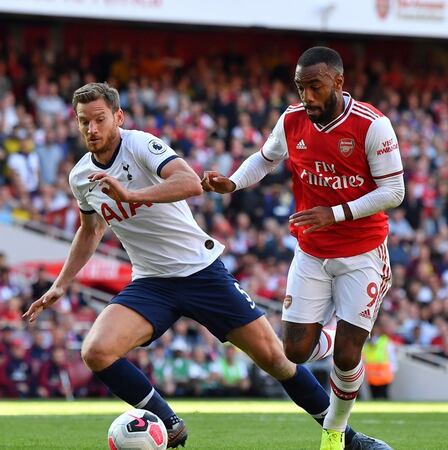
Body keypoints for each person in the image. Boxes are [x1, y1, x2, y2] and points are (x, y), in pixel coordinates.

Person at [22, 82, 389, 450]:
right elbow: (90, 230)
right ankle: (169, 423)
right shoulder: (81, 177)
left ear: (118, 117)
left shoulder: (141, 145)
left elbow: (189, 183)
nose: (92, 129)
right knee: (95, 351)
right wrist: (62, 283)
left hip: (201, 272)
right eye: (84, 121)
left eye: (100, 119)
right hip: (152, 282)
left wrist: (132, 193)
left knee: (278, 359)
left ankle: (349, 439)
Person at [202, 46, 404, 450]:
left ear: (338, 82)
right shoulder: (291, 119)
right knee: (295, 352)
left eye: (315, 87)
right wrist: (234, 183)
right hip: (310, 252)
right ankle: (339, 332)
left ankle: (333, 434)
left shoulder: (372, 125)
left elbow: (394, 191)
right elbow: (265, 159)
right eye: (300, 87)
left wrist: (336, 213)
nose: (307, 96)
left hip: (362, 252)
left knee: (348, 356)